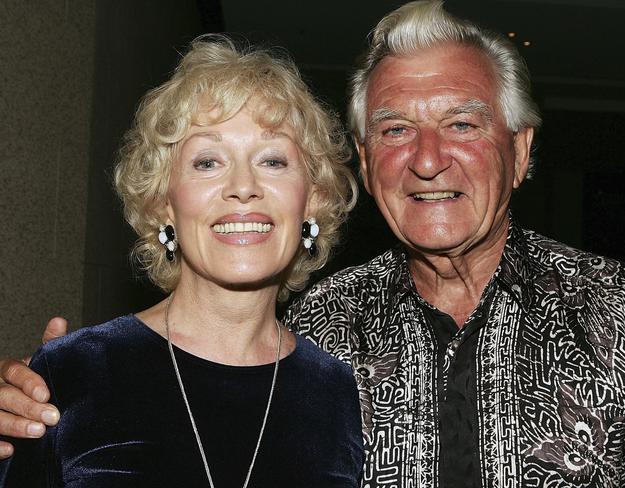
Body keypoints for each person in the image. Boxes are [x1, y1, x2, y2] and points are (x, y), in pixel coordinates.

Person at [1, 1, 625, 487]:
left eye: (460, 123)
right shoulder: (325, 329)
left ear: (521, 148)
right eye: (396, 129)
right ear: (366, 166)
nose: (428, 160)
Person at [0, 35, 363, 487]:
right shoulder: (71, 375)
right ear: (162, 204)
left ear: (313, 199)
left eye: (272, 160)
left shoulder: (343, 395)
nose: (243, 186)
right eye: (208, 162)